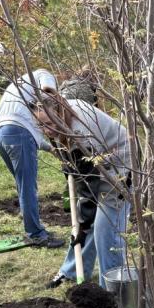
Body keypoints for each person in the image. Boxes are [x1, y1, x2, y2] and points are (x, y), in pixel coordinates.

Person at [31, 90, 131, 288]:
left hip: (121, 165)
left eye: (49, 124)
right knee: (84, 223)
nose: (46, 130)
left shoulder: (79, 131)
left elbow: (89, 185)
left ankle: (112, 290)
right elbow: (78, 167)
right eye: (40, 125)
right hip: (98, 163)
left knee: (106, 230)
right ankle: (73, 270)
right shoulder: (62, 112)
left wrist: (84, 224)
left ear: (59, 114)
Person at [0, 69, 65, 248]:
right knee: (28, 186)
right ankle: (36, 234)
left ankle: (31, 226)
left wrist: (50, 148)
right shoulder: (43, 73)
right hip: (18, 132)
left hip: (0, 133)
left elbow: (30, 124)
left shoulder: (19, 85)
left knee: (22, 183)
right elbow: (47, 95)